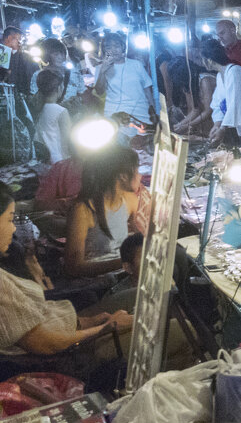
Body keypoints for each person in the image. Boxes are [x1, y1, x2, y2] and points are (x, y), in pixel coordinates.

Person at [0, 183, 131, 356]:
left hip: (69, 325)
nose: (14, 228)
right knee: (165, 327)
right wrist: (108, 327)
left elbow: (42, 317)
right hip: (69, 354)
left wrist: (89, 321)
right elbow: (47, 344)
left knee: (136, 298)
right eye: (10, 220)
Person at [64, 145, 140, 279]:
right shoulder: (82, 210)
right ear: (122, 176)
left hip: (124, 276)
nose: (140, 175)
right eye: (137, 170)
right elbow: (73, 267)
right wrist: (123, 262)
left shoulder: (129, 200)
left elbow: (140, 238)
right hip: (96, 284)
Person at [96, 33, 156, 132]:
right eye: (108, 47)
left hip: (140, 113)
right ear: (104, 50)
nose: (113, 50)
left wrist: (154, 111)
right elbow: (99, 91)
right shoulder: (101, 68)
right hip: (115, 115)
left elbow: (147, 90)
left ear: (123, 47)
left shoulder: (136, 64)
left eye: (116, 46)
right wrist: (103, 70)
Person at [32, 68, 72, 164]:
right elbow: (67, 144)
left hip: (42, 161)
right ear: (59, 88)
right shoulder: (61, 111)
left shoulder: (38, 107)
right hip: (58, 162)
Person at [170, 55, 216, 137]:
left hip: (219, 122)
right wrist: (180, 125)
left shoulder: (204, 80)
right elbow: (195, 110)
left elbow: (208, 110)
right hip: (209, 124)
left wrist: (187, 125)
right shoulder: (190, 84)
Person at [2, 26, 34, 95]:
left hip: (18, 95)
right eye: (18, 39)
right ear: (9, 38)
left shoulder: (24, 57)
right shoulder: (3, 53)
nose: (20, 43)